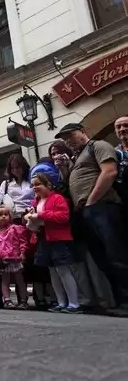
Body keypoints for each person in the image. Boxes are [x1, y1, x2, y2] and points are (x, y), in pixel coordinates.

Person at [54, 123, 128, 317]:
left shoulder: (98, 146)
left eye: (71, 135)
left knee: (117, 254)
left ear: (83, 132)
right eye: (65, 138)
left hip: (103, 207)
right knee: (102, 259)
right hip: (86, 212)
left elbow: (109, 172)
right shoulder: (76, 157)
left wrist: (92, 200)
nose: (68, 140)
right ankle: (119, 301)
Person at [26, 173, 81, 313]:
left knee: (63, 270)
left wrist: (40, 215)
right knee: (53, 272)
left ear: (48, 184)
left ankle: (73, 303)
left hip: (58, 238)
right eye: (33, 185)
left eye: (38, 184)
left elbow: (63, 216)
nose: (35, 187)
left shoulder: (57, 198)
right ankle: (61, 302)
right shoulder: (36, 201)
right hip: (44, 237)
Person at [0, 205, 28, 310]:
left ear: (10, 216)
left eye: (6, 214)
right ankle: (7, 300)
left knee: (19, 279)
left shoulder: (15, 228)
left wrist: (22, 252)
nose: (3, 217)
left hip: (15, 258)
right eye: (0, 215)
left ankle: (23, 300)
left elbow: (22, 241)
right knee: (5, 280)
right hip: (3, 260)